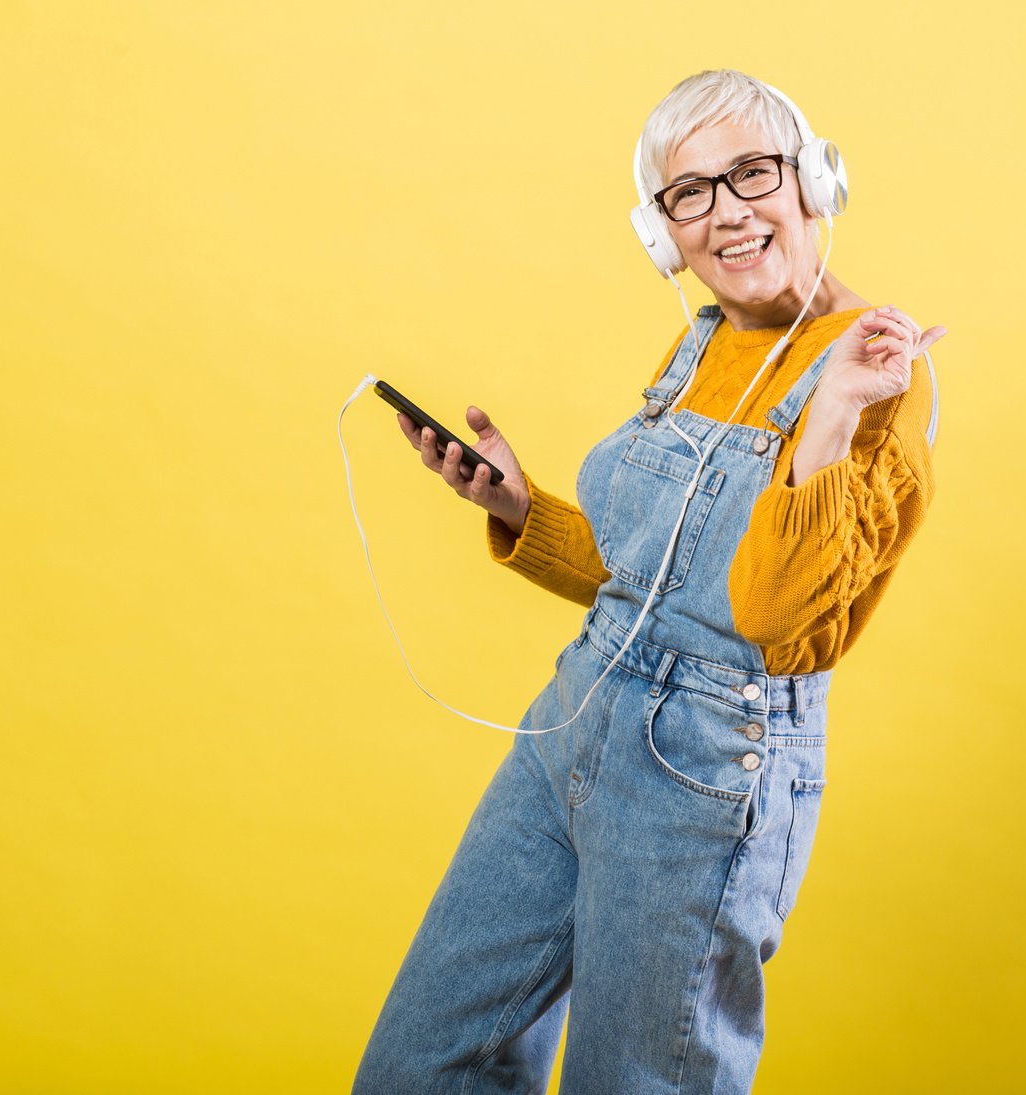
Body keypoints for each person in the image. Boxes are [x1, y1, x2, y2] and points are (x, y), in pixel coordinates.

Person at [352, 69, 946, 1094]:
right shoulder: (705, 337)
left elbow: (765, 619)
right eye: (690, 193)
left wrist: (837, 418)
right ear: (663, 227)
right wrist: (519, 512)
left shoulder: (878, 374)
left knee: (638, 1080)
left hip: (707, 769)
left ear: (814, 182)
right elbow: (659, 582)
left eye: (751, 173)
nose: (726, 213)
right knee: (425, 1062)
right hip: (577, 720)